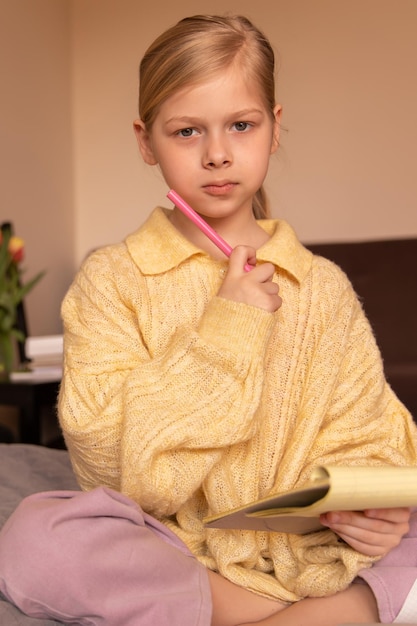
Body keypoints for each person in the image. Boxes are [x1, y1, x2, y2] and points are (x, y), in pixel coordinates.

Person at [1, 14, 417, 626]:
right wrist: (226, 331)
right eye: (187, 131)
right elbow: (109, 466)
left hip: (312, 547)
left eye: (241, 126)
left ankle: (317, 600)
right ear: (147, 142)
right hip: (177, 546)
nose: (218, 154)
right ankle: (315, 612)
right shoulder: (112, 278)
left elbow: (370, 435)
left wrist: (373, 514)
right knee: (39, 538)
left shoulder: (322, 286)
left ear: (274, 129)